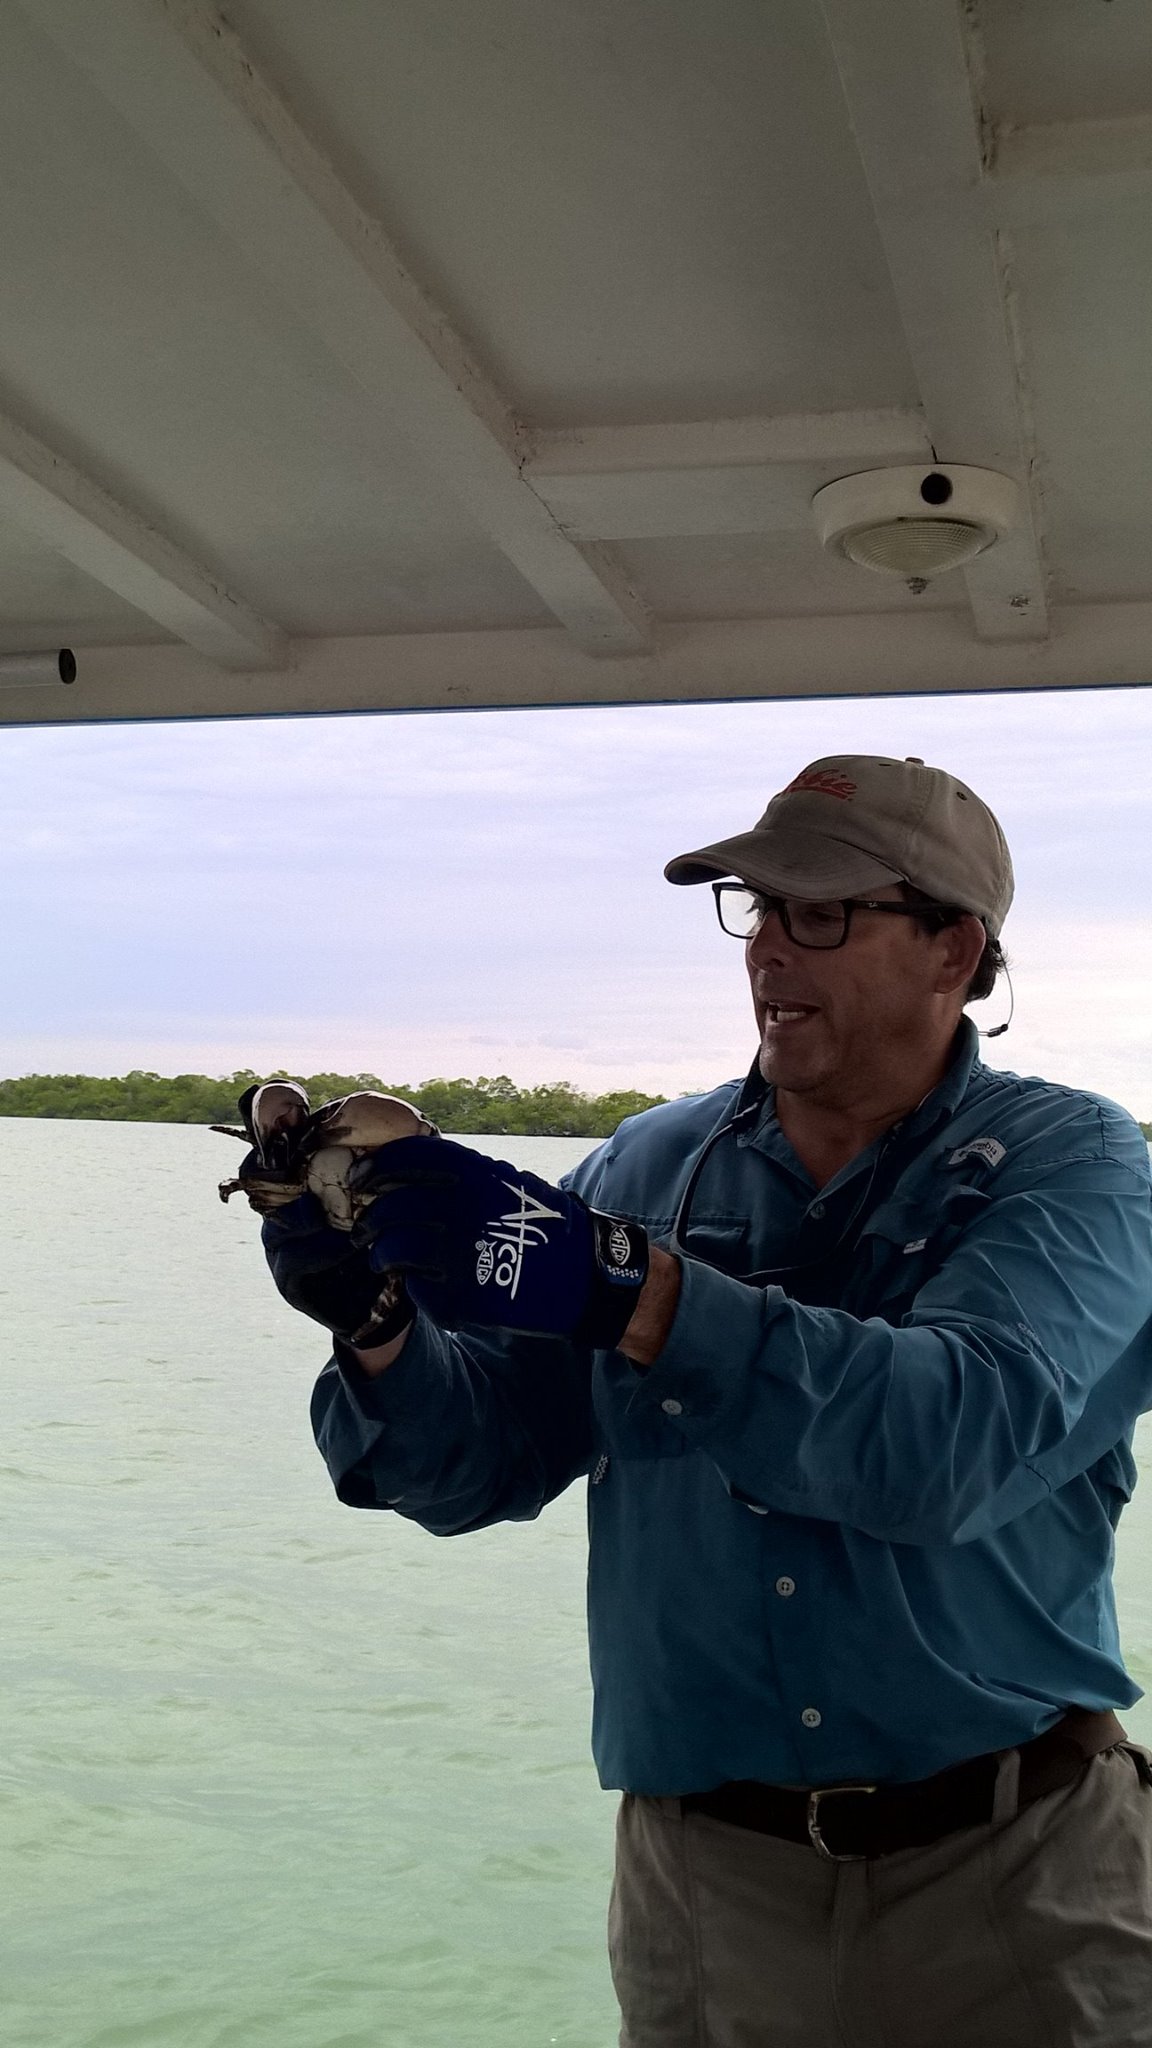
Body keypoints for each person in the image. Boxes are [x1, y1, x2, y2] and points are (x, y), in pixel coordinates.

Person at [265, 753, 1152, 2047]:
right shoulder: (643, 1163)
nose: (770, 947)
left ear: (954, 950)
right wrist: (377, 1323)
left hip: (1017, 1880)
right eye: (759, 907)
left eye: (822, 912)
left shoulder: (1079, 1165)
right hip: (702, 1895)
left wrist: (629, 1288)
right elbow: (480, 1464)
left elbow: (950, 1441)